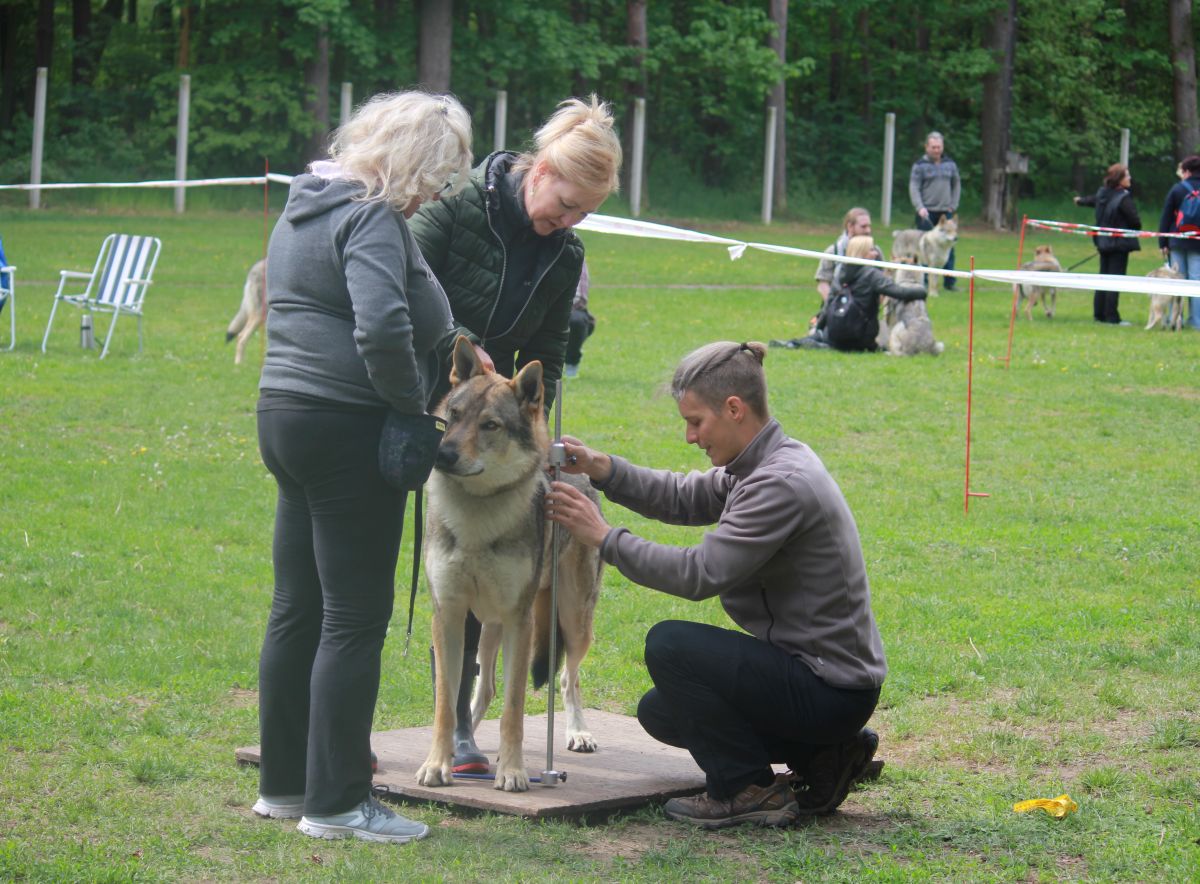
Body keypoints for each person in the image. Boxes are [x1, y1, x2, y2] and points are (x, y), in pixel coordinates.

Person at [543, 341, 886, 830]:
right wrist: (603, 469)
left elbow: (699, 574)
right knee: (662, 712)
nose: (690, 436)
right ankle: (826, 754)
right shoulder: (760, 463)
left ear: (734, 409)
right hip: (823, 682)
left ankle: (748, 789)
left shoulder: (779, 483)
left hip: (830, 688)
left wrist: (603, 538)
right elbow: (683, 497)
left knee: (671, 645)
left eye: (696, 421)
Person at [253, 91, 473, 844]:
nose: (434, 194)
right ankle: (340, 803)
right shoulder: (370, 216)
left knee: (298, 607)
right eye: (438, 176)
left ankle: (283, 786)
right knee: (354, 618)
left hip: (283, 414)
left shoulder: (303, 204)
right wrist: (413, 408)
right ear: (413, 161)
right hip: (348, 425)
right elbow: (382, 324)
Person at [408, 95, 622, 774]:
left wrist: (529, 429)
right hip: (418, 399)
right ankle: (369, 730)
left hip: (499, 425)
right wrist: (448, 355)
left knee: (486, 573)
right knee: (415, 577)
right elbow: (401, 274)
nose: (569, 219)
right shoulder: (462, 202)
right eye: (566, 202)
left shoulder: (566, 255)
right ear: (541, 170)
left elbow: (550, 355)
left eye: (583, 213)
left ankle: (467, 733)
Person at [778, 236, 927, 352]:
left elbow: (828, 306)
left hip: (835, 335)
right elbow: (899, 292)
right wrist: (921, 290)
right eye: (871, 250)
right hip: (861, 338)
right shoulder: (872, 274)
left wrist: (818, 329)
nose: (875, 253)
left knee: (818, 339)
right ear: (862, 252)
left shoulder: (841, 273)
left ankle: (805, 342)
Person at [1074, 163, 1141, 325]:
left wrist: (1079, 201)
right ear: (1119, 180)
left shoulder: (1103, 194)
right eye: (1127, 175)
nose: (1130, 178)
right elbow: (1135, 222)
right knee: (1115, 279)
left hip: (1103, 242)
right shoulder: (1123, 198)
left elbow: (1091, 201)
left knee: (1103, 277)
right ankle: (1112, 317)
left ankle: (1099, 314)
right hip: (1119, 245)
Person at [908, 131, 960, 291]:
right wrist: (919, 207)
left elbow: (956, 184)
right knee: (923, 248)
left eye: (939, 147)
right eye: (933, 147)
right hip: (927, 212)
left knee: (948, 247)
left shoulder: (950, 164)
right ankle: (922, 281)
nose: (936, 150)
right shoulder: (919, 166)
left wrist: (953, 204)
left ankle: (949, 282)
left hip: (946, 211)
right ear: (926, 147)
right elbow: (914, 187)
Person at [1157, 154, 1200, 330]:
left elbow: (1166, 217)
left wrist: (1163, 242)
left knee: (1175, 280)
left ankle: (1174, 319)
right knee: (1196, 282)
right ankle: (1196, 321)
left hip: (1177, 240)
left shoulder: (1178, 189)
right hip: (1198, 242)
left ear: (1187, 171)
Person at [814, 207, 873, 307]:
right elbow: (823, 284)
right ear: (850, 226)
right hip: (837, 311)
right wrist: (835, 306)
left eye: (869, 226)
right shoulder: (833, 252)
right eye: (863, 227)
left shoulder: (874, 252)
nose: (868, 230)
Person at [565, 259, 595, 377]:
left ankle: (571, 362)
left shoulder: (574, 253)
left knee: (576, 320)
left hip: (569, 308)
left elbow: (579, 299)